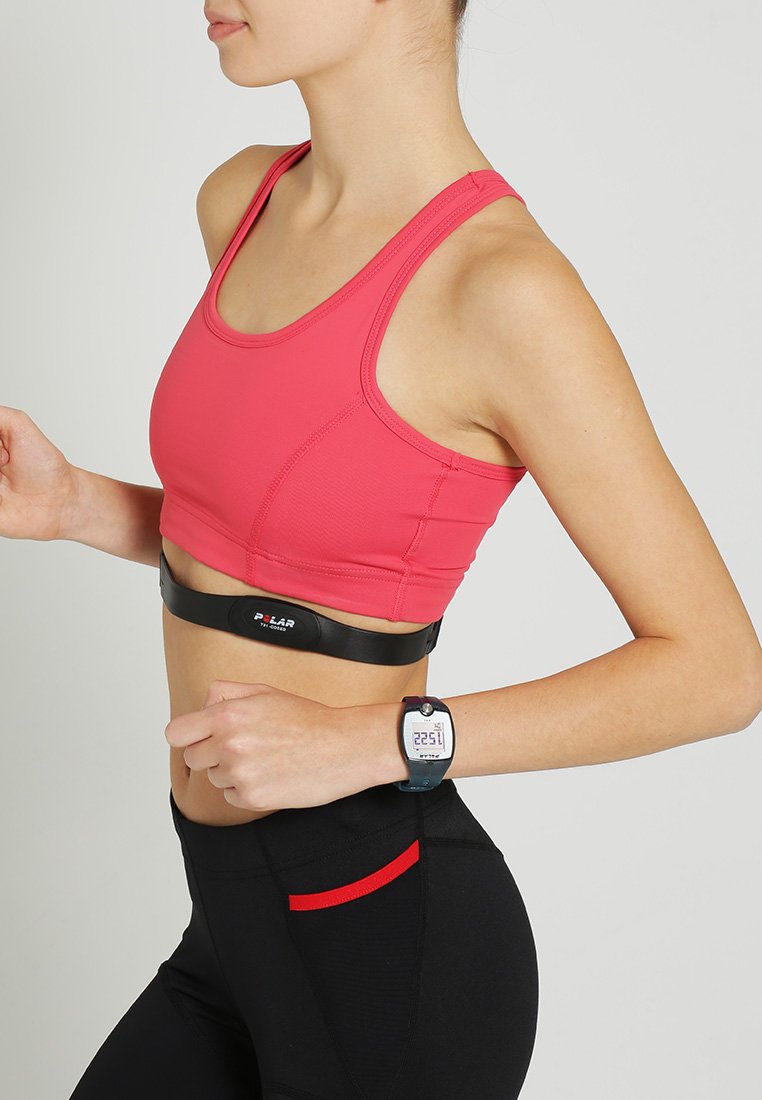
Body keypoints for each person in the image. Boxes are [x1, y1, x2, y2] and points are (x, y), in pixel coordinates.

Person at [2, 2, 761, 1098]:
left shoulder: (502, 291)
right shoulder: (244, 201)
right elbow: (275, 549)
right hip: (229, 931)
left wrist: (375, 740)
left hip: (389, 951)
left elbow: (719, 669)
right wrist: (78, 505)